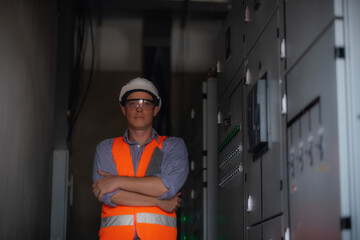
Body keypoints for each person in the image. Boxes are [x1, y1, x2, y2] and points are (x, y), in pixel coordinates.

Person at [92, 77, 189, 240]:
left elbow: (166, 187)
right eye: (132, 103)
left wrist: (116, 181)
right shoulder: (106, 148)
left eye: (146, 103)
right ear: (124, 109)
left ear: (155, 109)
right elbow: (108, 194)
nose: (139, 108)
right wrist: (159, 202)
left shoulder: (172, 146)